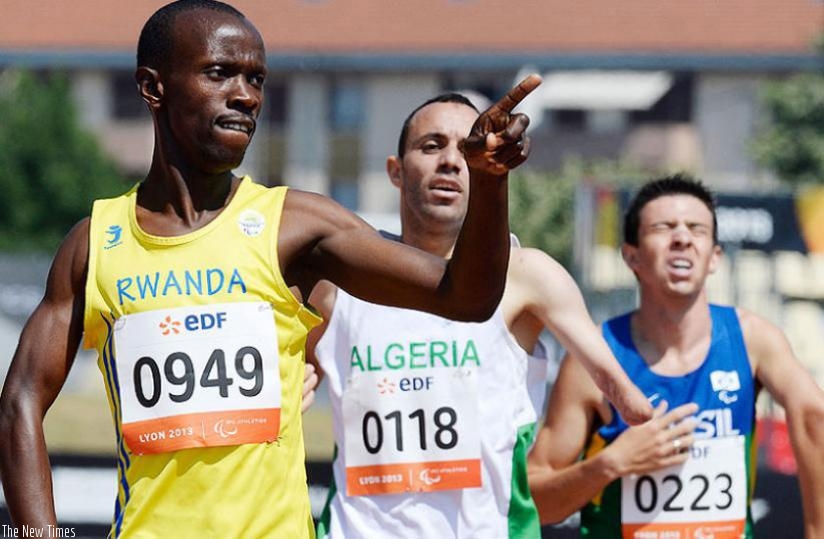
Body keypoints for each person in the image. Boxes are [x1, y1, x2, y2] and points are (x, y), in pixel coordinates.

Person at [0, 1, 542, 537]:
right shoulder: (95, 244)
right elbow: (21, 400)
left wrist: (489, 179)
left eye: (256, 79)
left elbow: (465, 298)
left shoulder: (295, 225)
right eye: (219, 72)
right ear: (153, 87)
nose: (246, 95)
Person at [305, 92, 652, 539]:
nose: (451, 161)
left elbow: (615, 384)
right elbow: (286, 384)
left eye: (466, 148)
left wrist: (630, 402)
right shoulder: (340, 282)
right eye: (431, 146)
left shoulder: (527, 274)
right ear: (395, 170)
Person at [527, 174, 824, 538]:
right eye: (663, 227)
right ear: (631, 256)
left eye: (697, 229)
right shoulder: (596, 359)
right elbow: (535, 502)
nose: (682, 238)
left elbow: (814, 416)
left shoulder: (752, 339)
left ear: (714, 257)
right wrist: (611, 464)